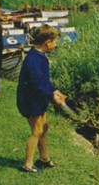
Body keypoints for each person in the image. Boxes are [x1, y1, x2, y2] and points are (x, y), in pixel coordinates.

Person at [16, 25, 67, 173]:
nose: (56, 45)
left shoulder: (39, 56)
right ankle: (27, 164)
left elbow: (44, 81)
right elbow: (38, 85)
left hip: (37, 99)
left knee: (44, 128)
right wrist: (53, 97)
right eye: (55, 41)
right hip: (30, 101)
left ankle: (44, 159)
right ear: (47, 42)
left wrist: (55, 90)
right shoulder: (34, 61)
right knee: (37, 131)